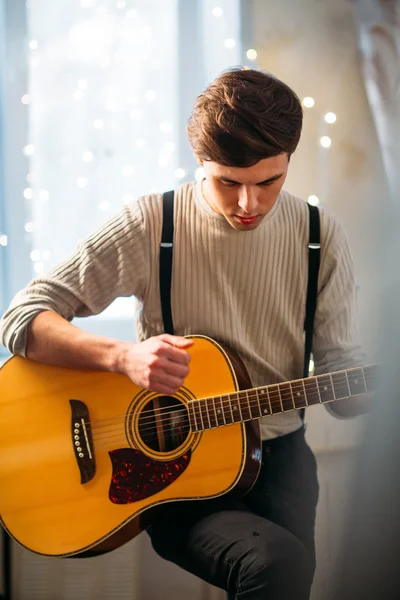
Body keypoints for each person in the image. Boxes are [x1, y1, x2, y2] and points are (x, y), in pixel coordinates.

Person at [0, 68, 369, 599]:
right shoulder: (153, 225)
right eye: (229, 182)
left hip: (282, 464)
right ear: (201, 162)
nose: (249, 205)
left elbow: (341, 382)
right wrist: (122, 357)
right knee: (276, 566)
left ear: (289, 161)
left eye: (268, 182)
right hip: (172, 469)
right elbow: (22, 316)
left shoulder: (319, 236)